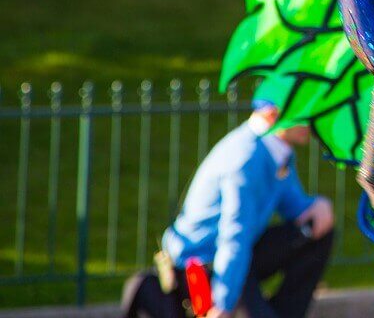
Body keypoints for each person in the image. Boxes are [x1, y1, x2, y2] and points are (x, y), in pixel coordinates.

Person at [122, 103, 335, 318]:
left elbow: (293, 208)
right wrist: (223, 304)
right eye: (303, 112)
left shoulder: (277, 151)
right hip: (208, 264)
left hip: (241, 253)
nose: (312, 119)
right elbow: (233, 236)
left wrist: (318, 207)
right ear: (273, 114)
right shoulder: (245, 158)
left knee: (318, 234)